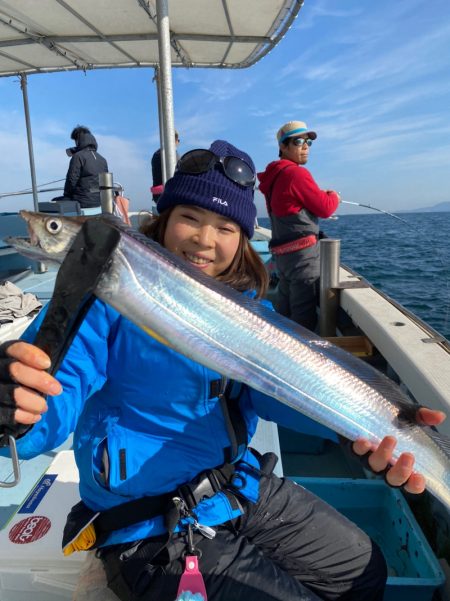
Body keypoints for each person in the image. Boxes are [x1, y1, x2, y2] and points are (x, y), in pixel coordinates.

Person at [0, 139, 445, 601]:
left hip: (237, 484)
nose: (204, 239)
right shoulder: (97, 304)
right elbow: (50, 395)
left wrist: (360, 437)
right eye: (189, 218)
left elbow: (286, 393)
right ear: (164, 220)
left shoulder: (250, 314)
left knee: (363, 569)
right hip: (150, 521)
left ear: (243, 240)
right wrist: (15, 410)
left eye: (226, 227)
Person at [258, 120, 340, 331]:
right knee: (303, 320)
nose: (305, 146)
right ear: (283, 147)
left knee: (284, 312)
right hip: (303, 259)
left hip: (283, 259)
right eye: (298, 141)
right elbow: (325, 208)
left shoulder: (274, 176)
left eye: (308, 142)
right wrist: (334, 196)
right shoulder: (296, 173)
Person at [56, 125, 108, 209]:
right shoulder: (103, 159)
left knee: (53, 202)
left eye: (75, 140)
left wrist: (67, 196)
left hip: (82, 202)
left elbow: (71, 180)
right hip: (99, 202)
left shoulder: (78, 156)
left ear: (78, 140)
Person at [151, 129, 180, 203]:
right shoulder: (173, 155)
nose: (179, 143)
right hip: (168, 194)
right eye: (178, 140)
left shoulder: (156, 154)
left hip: (156, 195)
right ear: (175, 140)